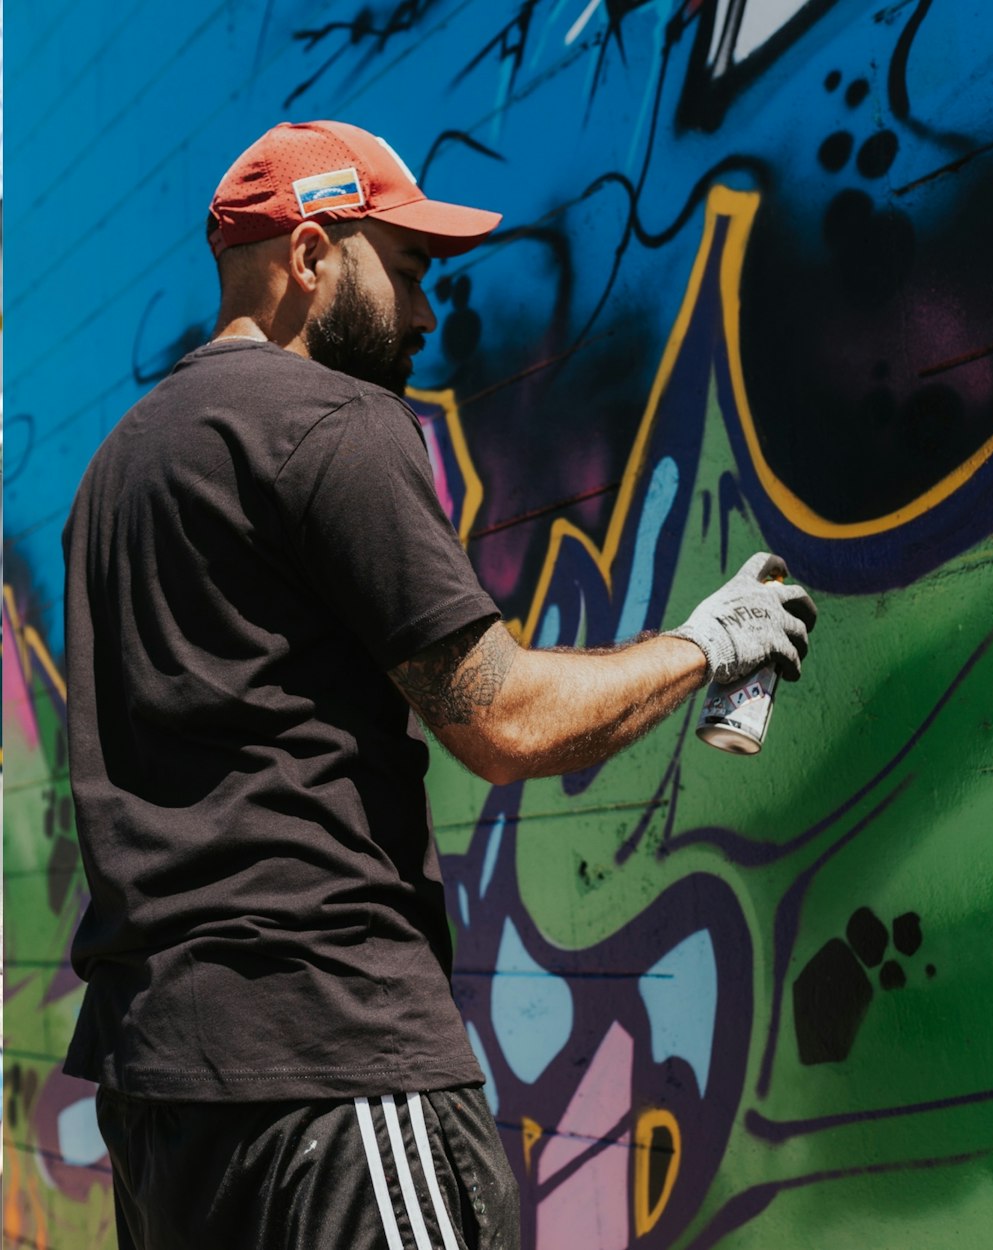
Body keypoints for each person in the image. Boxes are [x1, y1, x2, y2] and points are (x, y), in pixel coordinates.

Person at [61, 120, 817, 1250]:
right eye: (407, 271)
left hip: (159, 1087)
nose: (424, 316)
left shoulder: (114, 471)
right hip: (330, 1063)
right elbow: (500, 717)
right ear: (310, 256)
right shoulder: (330, 420)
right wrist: (707, 643)